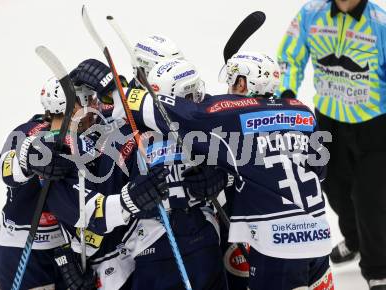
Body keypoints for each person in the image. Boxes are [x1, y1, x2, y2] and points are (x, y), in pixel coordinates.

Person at [95, 50, 334, 290]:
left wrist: (120, 91)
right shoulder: (302, 111)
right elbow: (318, 170)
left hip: (277, 245)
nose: (229, 88)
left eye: (232, 81)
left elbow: (178, 113)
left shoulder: (234, 114)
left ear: (242, 82)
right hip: (318, 237)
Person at [71, 58, 229, 289]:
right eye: (191, 94)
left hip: (205, 242)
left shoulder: (202, 129)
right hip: (155, 249)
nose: (198, 100)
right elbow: (100, 206)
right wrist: (79, 251)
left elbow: (242, 171)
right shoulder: (123, 137)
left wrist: (222, 177)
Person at [277, 0, 386, 288]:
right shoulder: (311, 13)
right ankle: (354, 238)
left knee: (369, 199)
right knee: (331, 188)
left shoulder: (380, 23)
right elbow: (289, 55)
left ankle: (378, 269)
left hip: (374, 124)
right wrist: (287, 94)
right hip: (327, 120)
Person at [0, 76, 96, 290]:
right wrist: (28, 159)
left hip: (65, 250)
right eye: (89, 102)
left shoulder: (87, 139)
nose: (95, 110)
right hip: (21, 247)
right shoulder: (28, 131)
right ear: (73, 106)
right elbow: (4, 169)